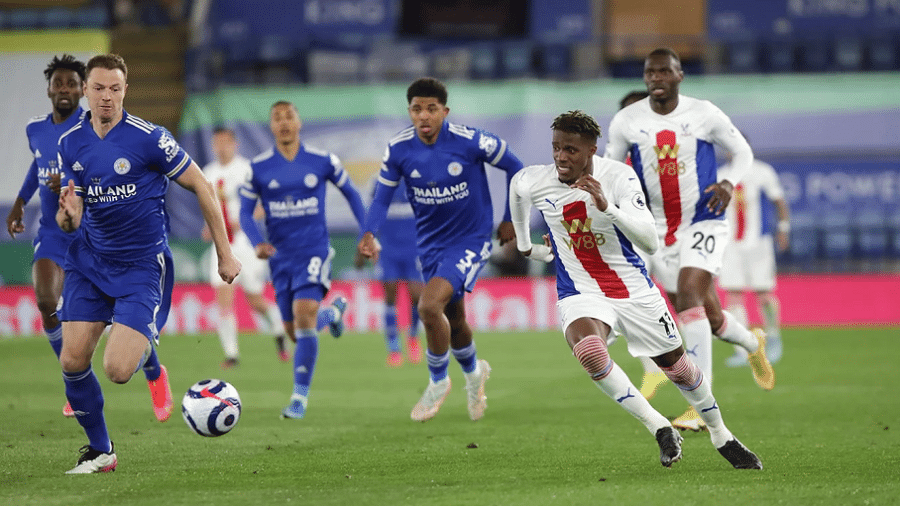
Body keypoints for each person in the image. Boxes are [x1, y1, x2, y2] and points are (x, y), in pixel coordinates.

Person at [510, 109, 762, 469]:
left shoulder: (619, 177)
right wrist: (526, 244)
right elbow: (518, 197)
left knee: (681, 371)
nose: (561, 157)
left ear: (592, 150)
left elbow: (649, 240)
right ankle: (658, 426)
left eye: (571, 150)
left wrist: (607, 207)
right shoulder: (534, 180)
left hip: (633, 290)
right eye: (556, 148)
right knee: (591, 352)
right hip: (581, 292)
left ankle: (722, 434)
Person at [55, 53, 241, 474]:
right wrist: (68, 215)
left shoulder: (149, 138)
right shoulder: (71, 144)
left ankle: (152, 365)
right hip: (88, 262)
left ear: (125, 90)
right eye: (98, 88)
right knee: (72, 361)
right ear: (85, 90)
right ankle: (102, 452)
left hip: (140, 266)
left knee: (118, 370)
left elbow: (202, 186)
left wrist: (226, 253)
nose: (106, 97)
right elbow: (71, 217)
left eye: (115, 89)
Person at [604, 48, 775, 432]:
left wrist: (729, 182)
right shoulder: (627, 121)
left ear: (680, 75)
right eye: (651, 72)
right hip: (659, 229)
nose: (657, 77)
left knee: (689, 297)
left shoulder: (704, 113)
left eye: (665, 71)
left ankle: (701, 403)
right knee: (708, 316)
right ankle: (752, 343)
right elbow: (611, 169)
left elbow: (743, 152)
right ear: (645, 77)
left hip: (705, 220)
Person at [6, 54, 171, 421]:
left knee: (121, 325)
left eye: (71, 84)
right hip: (56, 227)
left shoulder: (95, 128)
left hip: (97, 233)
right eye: (58, 83)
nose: (64, 89)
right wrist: (20, 201)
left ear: (82, 90)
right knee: (47, 300)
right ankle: (73, 378)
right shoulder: (37, 129)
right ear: (50, 89)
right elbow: (38, 164)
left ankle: (151, 366)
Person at [357, 77, 523, 422]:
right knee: (455, 319)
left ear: (444, 111)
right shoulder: (399, 149)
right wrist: (369, 233)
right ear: (410, 112)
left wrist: (510, 219)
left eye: (431, 108)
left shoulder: (470, 141)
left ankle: (436, 383)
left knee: (429, 306)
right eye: (417, 109)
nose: (424, 115)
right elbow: (382, 197)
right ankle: (476, 375)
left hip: (471, 240)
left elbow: (516, 168)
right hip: (429, 244)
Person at [239, 100, 360, 420]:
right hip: (281, 258)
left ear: (299, 122)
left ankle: (299, 399)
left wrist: (368, 232)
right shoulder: (259, 168)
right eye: (276, 118)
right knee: (296, 331)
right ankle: (333, 312)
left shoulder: (322, 161)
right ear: (271, 127)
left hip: (314, 250)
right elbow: (244, 213)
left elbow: (352, 193)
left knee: (303, 313)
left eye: (288, 116)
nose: (283, 122)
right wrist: (257, 243)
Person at [201, 126, 286, 368]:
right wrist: (209, 226)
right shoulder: (208, 172)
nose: (221, 147)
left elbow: (265, 204)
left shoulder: (246, 169)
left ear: (235, 144)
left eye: (226, 142)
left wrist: (247, 219)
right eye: (217, 143)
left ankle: (279, 331)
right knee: (223, 299)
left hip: (245, 244)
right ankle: (232, 355)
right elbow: (208, 207)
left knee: (255, 300)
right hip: (222, 244)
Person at [719, 153, 790, 366]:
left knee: (765, 292)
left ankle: (774, 337)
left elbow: (779, 201)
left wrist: (783, 228)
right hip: (730, 244)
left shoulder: (762, 171)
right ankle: (744, 348)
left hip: (758, 242)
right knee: (733, 294)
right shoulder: (721, 175)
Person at [356, 177, 424, 368]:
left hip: (414, 246)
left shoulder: (417, 179)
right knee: (390, 293)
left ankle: (413, 336)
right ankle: (393, 346)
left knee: (417, 294)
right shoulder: (380, 182)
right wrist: (362, 243)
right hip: (388, 248)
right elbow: (371, 214)